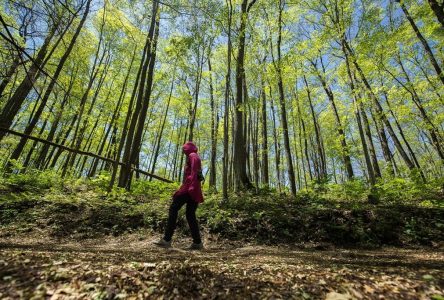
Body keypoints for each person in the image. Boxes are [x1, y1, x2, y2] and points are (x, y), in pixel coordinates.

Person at [154, 141, 204, 250]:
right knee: (190, 214)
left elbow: (195, 173)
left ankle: (167, 240)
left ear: (187, 149)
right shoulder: (194, 156)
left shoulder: (193, 155)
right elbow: (196, 173)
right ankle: (197, 243)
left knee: (174, 208)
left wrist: (187, 188)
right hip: (194, 189)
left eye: (184, 149)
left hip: (190, 189)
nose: (183, 151)